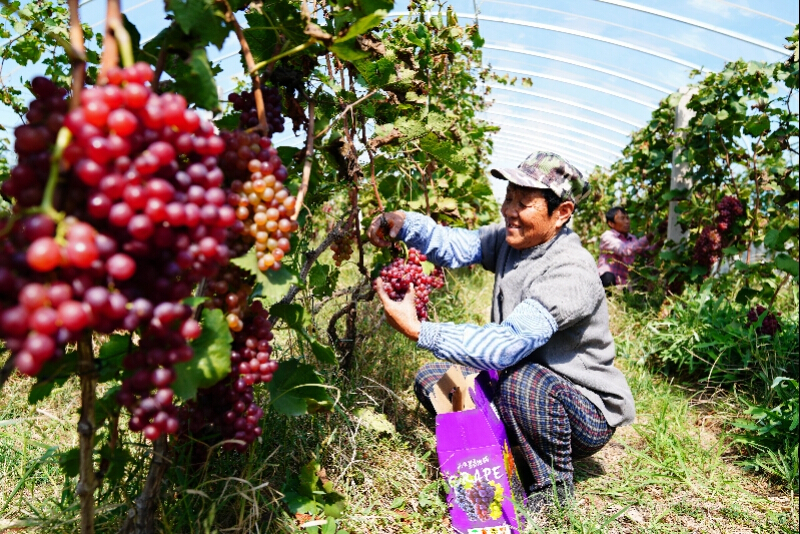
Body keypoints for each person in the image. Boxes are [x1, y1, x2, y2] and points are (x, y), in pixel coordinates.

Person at [367, 152, 636, 511]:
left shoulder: (571, 271)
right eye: (508, 197)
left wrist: (420, 331)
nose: (510, 210)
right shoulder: (514, 239)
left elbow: (506, 347)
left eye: (524, 203)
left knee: (520, 379)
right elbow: (454, 245)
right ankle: (500, 451)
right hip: (520, 389)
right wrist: (405, 224)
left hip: (579, 411)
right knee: (437, 381)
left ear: (562, 213)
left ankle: (551, 493)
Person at [597, 207, 650, 288]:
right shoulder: (607, 236)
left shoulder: (632, 239)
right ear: (611, 223)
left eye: (627, 218)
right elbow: (624, 250)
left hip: (623, 282)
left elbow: (647, 252)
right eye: (622, 218)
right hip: (606, 280)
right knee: (608, 278)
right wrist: (648, 238)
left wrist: (659, 241)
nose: (627, 221)